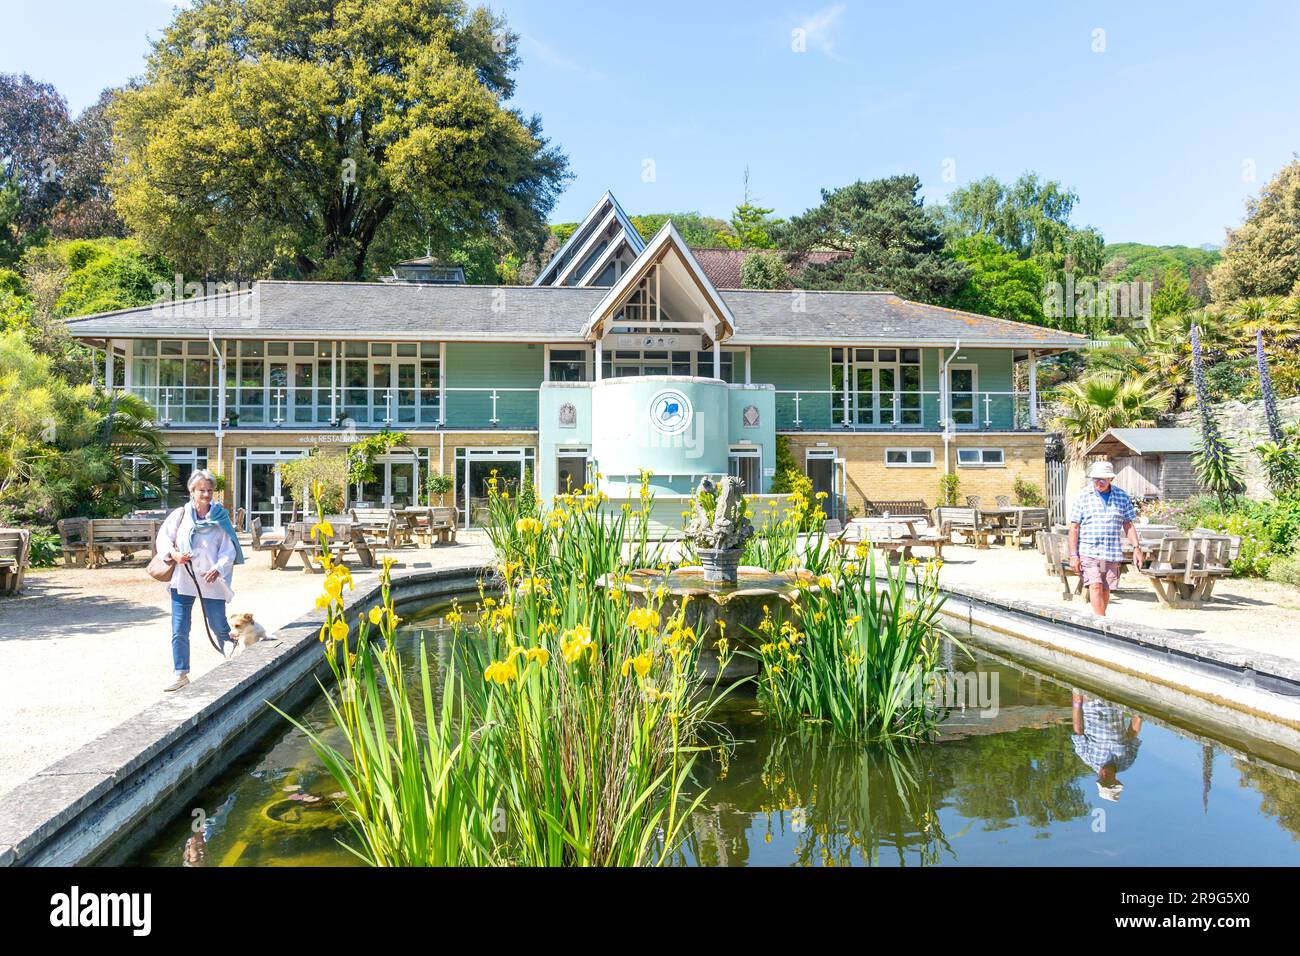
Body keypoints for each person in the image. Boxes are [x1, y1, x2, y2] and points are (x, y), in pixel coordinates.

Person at [155, 470, 245, 692]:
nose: (206, 494)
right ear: (191, 491)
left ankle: (234, 661)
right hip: (183, 579)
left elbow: (228, 548)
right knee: (179, 629)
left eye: (209, 490)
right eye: (201, 490)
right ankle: (181, 674)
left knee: (218, 626)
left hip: (211, 580)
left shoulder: (219, 517)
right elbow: (164, 539)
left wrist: (219, 568)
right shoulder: (180, 515)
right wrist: (174, 555)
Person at [1068, 460, 1143, 617]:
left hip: (1110, 552)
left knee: (1106, 587)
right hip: (1089, 551)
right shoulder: (1083, 496)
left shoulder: (1122, 497)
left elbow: (1128, 524)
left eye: (1102, 479)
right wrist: (1074, 555)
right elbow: (1074, 528)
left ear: (1111, 479)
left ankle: (1101, 618)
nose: (1098, 483)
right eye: (1095, 479)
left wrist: (1137, 548)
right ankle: (1101, 621)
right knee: (1095, 585)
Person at [1071, 691, 1142, 802]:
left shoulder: (1087, 757)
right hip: (1117, 703)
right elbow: (1133, 733)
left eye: (1101, 781)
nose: (1104, 777)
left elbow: (1078, 729)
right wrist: (1138, 709)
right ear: (1117, 781)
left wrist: (1076, 702)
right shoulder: (1127, 761)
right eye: (1108, 781)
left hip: (1090, 702)